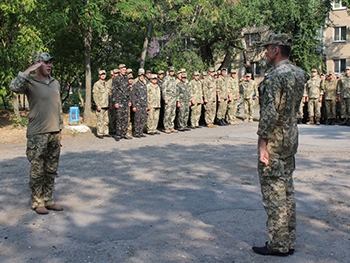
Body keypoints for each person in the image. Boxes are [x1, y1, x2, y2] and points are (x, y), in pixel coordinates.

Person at [253, 34, 308, 256]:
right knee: (286, 191)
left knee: (274, 194)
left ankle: (278, 244)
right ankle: (289, 239)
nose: (266, 53)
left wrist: (262, 145)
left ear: (276, 49)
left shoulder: (276, 76)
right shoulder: (299, 73)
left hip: (275, 141)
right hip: (290, 138)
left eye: (267, 49)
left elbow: (270, 113)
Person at [9, 52, 64, 215]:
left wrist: (60, 127)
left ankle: (49, 199)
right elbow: (14, 87)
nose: (49, 65)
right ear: (37, 64)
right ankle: (37, 201)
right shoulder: (30, 82)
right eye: (45, 62)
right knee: (38, 169)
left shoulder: (55, 83)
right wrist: (27, 71)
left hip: (54, 131)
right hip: (37, 133)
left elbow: (58, 106)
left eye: (50, 62)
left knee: (51, 169)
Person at [113, 64, 132, 140]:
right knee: (119, 117)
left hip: (125, 101)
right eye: (123, 70)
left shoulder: (126, 78)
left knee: (125, 118)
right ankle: (118, 134)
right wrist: (116, 102)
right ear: (120, 70)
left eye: (125, 70)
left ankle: (124, 133)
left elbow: (128, 90)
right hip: (119, 101)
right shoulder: (116, 79)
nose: (124, 71)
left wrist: (129, 100)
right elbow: (114, 91)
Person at [92, 69, 110, 138]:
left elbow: (109, 94)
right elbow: (95, 95)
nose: (103, 76)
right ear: (99, 76)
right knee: (100, 120)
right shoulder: (97, 84)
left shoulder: (107, 83)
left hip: (107, 105)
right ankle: (100, 133)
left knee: (106, 120)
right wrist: (97, 105)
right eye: (101, 74)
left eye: (104, 74)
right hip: (101, 105)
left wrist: (110, 104)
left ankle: (105, 132)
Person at [131, 69, 148, 137]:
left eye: (143, 76)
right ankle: (136, 132)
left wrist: (146, 105)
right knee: (137, 119)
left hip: (143, 105)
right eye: (140, 76)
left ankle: (140, 132)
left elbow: (146, 96)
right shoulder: (135, 85)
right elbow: (133, 96)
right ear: (138, 77)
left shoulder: (144, 85)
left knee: (143, 119)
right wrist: (134, 106)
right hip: (138, 104)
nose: (142, 77)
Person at [162, 66, 179, 134]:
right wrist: (165, 98)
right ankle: (166, 127)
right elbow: (164, 89)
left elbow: (175, 89)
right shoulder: (166, 79)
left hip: (173, 98)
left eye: (173, 71)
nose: (172, 72)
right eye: (171, 71)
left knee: (173, 113)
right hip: (168, 98)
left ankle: (171, 126)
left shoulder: (173, 79)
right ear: (168, 71)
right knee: (167, 113)